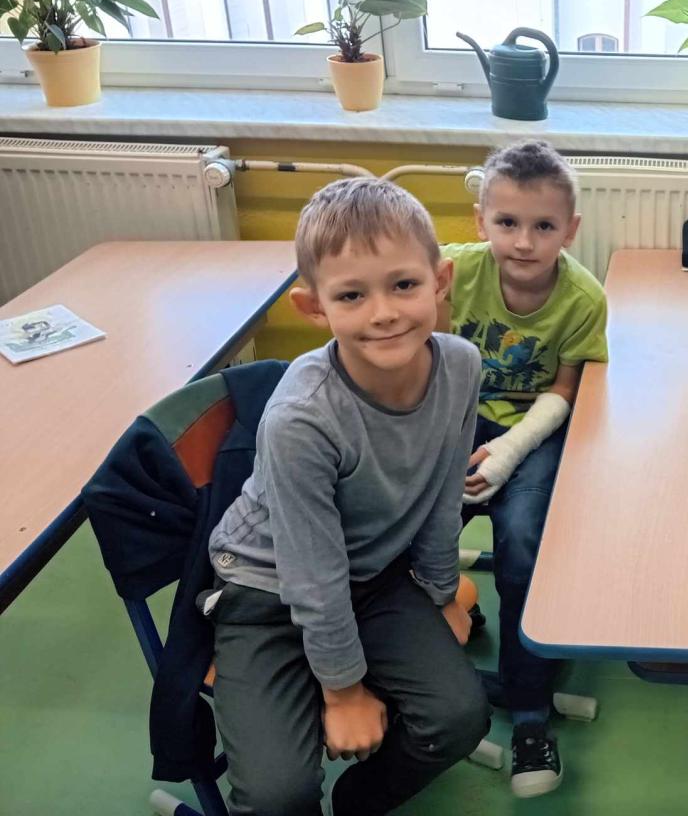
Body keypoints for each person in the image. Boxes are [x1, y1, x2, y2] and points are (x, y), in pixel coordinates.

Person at [207, 176, 489, 816]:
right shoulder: (302, 419)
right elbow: (311, 573)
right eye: (352, 295)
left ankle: (357, 804)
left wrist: (440, 593)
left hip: (370, 578)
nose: (383, 312)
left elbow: (443, 495)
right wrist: (343, 692)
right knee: (277, 796)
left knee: (458, 717)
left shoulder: (461, 366)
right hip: (265, 592)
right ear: (313, 307)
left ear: (441, 280)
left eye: (404, 284)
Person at [440, 139, 608, 797]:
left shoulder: (583, 297)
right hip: (453, 423)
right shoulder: (451, 270)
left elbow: (563, 391)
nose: (524, 241)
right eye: (506, 222)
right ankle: (418, 673)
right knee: (408, 534)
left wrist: (508, 452)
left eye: (543, 226)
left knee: (522, 544)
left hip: (533, 432)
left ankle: (531, 713)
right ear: (481, 220)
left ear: (571, 229)